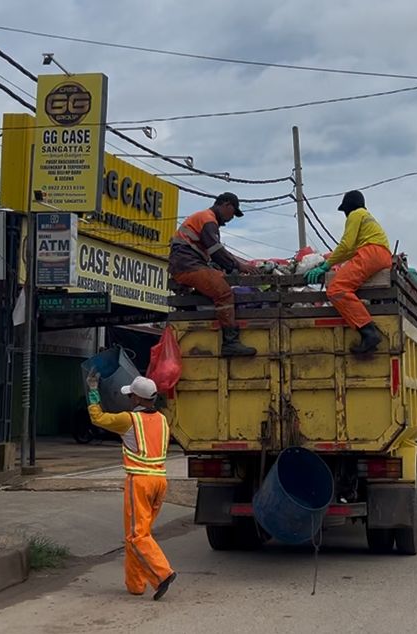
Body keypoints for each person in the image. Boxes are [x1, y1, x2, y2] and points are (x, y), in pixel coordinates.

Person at [86, 372, 177, 600]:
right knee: (138, 534)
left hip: (140, 482)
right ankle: (135, 584)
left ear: (137, 398)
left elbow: (97, 418)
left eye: (130, 396)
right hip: (160, 481)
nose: (129, 399)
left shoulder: (129, 420)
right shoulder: (163, 420)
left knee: (137, 536)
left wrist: (93, 391)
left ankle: (162, 574)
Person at [169, 192, 257, 357]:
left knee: (216, 282)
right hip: (188, 266)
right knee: (223, 293)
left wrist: (229, 267)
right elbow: (216, 251)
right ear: (226, 205)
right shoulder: (208, 220)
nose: (231, 218)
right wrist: (238, 266)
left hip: (188, 265)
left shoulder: (204, 219)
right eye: (233, 213)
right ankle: (230, 342)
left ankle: (193, 310)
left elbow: (214, 253)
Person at [304, 190, 392, 353]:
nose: (345, 215)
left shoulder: (355, 214)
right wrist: (331, 263)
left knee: (336, 289)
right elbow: (350, 250)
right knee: (347, 286)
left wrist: (325, 266)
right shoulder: (367, 218)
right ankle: (368, 332)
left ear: (348, 207)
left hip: (371, 253)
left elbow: (346, 245)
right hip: (382, 255)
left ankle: (369, 332)